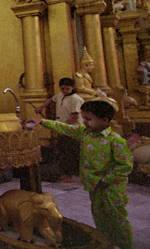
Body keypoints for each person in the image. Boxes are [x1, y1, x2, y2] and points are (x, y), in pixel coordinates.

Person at [27, 99, 134, 249]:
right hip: (94, 185)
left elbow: (125, 166)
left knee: (117, 218)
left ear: (104, 120)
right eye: (84, 119)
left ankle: (125, 245)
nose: (84, 122)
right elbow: (65, 128)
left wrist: (106, 180)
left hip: (111, 187)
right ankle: (105, 244)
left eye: (89, 119)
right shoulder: (85, 133)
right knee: (99, 217)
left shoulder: (114, 141)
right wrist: (42, 121)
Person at [35, 77, 84, 183]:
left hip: (72, 130)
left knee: (70, 152)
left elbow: (74, 117)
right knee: (63, 150)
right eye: (62, 89)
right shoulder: (60, 95)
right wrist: (40, 107)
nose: (65, 91)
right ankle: (66, 173)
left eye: (67, 89)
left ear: (72, 88)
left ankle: (70, 175)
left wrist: (64, 129)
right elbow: (51, 100)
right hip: (62, 128)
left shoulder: (76, 99)